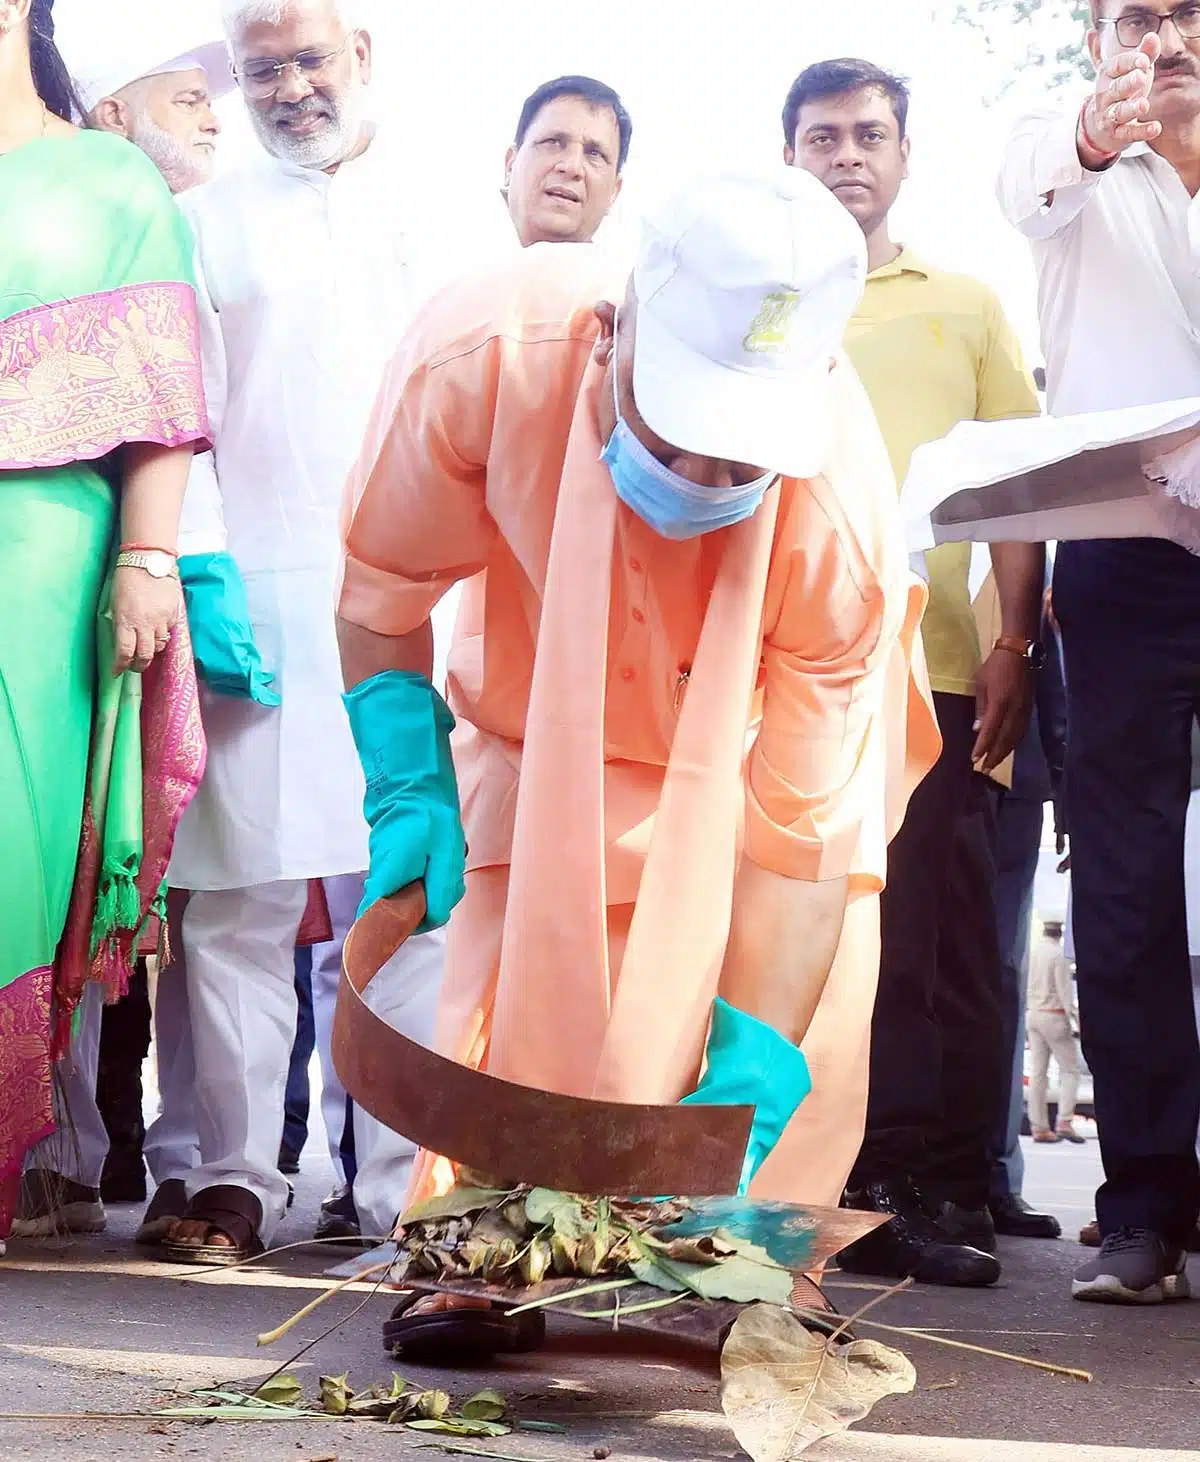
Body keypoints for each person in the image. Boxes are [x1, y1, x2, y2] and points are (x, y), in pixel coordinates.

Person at [336, 163, 939, 1356]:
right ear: (610, 337)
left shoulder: (840, 528)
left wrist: (740, 1089)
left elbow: (800, 851)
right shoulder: (482, 358)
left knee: (808, 1003)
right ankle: (484, 1247)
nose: (707, 483)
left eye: (742, 457)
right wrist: (404, 772)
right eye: (683, 432)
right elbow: (381, 586)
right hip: (532, 715)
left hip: (757, 741)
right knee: (515, 979)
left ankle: (755, 1256)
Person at [155, 0, 449, 1265]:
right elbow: (178, 411)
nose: (287, 88)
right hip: (257, 594)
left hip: (416, 600)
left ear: (363, 55)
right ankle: (229, 1177)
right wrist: (198, 567)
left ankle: (398, 1182)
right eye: (261, 67)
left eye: (308, 59)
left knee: (405, 892)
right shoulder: (202, 221)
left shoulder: (439, 212)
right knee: (236, 900)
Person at [785, 57, 1048, 1287]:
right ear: (789, 153)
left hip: (941, 671)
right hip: (790, 678)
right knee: (819, 937)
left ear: (903, 153)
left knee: (941, 938)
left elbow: (1016, 490)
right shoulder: (761, 294)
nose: (847, 155)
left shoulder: (967, 303)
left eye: (869, 135)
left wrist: (1013, 642)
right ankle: (837, 1177)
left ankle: (943, 1183)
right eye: (823, 136)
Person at [10, 2, 243, 1240]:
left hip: (38, 560)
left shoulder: (107, 178)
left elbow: (161, 395)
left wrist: (147, 554)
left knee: (18, 847)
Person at [998, 2, 1200, 1303]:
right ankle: (1143, 1211)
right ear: (1095, 41)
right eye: (1138, 13)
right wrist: (1087, 133)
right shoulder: (1058, 157)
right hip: (1124, 566)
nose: (1168, 34)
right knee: (1124, 887)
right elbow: (1034, 175)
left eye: (1188, 11)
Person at [503, 75, 629, 247]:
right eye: (553, 142)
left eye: (594, 153)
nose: (572, 167)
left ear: (614, 192)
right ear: (510, 165)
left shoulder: (638, 273)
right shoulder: (461, 264)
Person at [1026, 919, 1083, 1142]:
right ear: (1060, 933)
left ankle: (1039, 1126)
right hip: (1054, 1016)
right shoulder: (1058, 956)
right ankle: (1065, 1121)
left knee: (1038, 1074)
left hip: (1033, 1015)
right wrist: (1077, 1019)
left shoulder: (1034, 952)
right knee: (1069, 1071)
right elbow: (1065, 995)